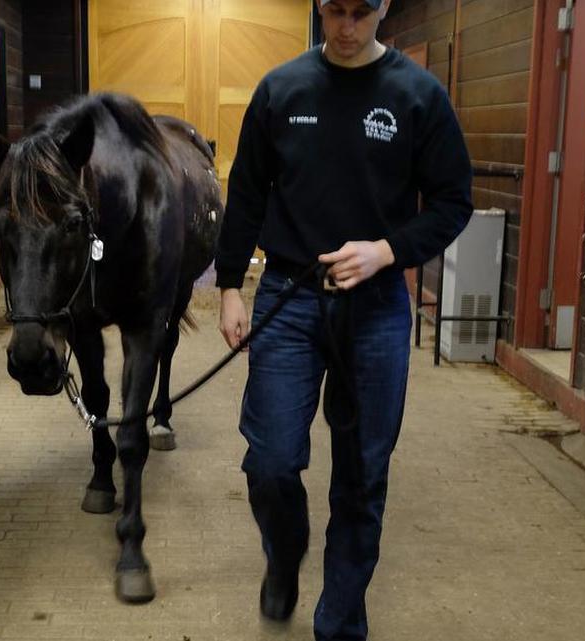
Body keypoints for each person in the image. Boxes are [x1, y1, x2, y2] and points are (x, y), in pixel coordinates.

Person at [213, 0, 473, 638]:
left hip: (377, 308)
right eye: (335, 11)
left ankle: (339, 622)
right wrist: (228, 288)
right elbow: (246, 191)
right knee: (271, 460)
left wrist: (387, 251)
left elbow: (452, 201)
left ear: (383, 7)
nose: (347, 27)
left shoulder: (418, 96)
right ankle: (284, 554)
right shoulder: (282, 89)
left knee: (361, 472)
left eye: (362, 11)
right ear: (318, 8)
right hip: (289, 295)